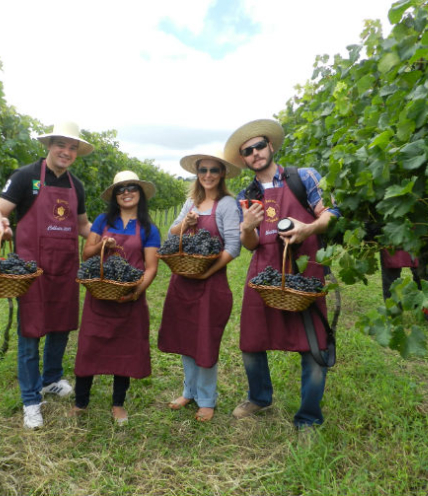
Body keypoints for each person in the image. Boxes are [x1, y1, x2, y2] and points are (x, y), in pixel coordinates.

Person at [223, 119, 340, 430]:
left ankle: (308, 419)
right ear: (244, 159)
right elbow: (250, 244)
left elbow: (331, 212)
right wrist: (247, 227)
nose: (255, 153)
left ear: (271, 146)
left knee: (313, 346)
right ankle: (260, 397)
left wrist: (309, 228)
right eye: (247, 151)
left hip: (305, 269)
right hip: (264, 272)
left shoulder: (303, 177)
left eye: (259, 145)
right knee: (251, 341)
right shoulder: (246, 195)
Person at [0, 121, 94, 429]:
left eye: (73, 147)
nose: (67, 152)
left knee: (61, 327)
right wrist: (0, 225)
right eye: (61, 145)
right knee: (31, 332)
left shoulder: (77, 186)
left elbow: (82, 226)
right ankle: (31, 399)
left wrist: (101, 237)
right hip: (31, 268)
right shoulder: (26, 177)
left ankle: (51, 380)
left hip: (64, 267)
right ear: (49, 146)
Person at [70, 171, 160, 425]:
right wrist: (102, 246)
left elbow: (151, 266)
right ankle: (81, 402)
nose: (126, 192)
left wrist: (136, 292)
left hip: (129, 298)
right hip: (99, 296)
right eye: (120, 189)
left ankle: (118, 403)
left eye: (132, 187)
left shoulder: (149, 228)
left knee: (126, 352)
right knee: (89, 349)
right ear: (115, 196)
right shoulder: (102, 221)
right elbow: (86, 253)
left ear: (140, 193)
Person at [158, 151, 241, 422]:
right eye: (203, 170)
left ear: (222, 174)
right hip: (183, 281)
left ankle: (207, 398)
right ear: (197, 173)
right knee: (185, 339)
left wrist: (208, 273)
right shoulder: (191, 201)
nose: (207, 175)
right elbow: (173, 231)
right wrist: (186, 223)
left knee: (205, 341)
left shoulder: (227, 204)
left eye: (213, 170)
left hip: (210, 284)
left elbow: (233, 246)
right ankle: (189, 391)